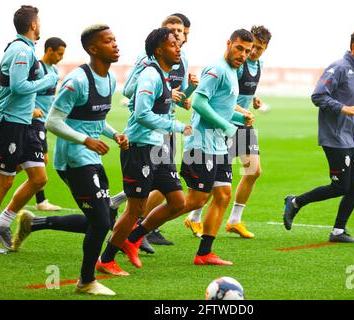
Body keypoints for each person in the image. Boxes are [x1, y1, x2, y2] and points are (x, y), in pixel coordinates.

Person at [105, 29, 253, 269]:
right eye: (239, 49)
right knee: (194, 200)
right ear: (229, 44)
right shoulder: (215, 70)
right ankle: (131, 238)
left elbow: (216, 105)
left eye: (248, 51)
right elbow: (199, 103)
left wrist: (238, 116)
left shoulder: (234, 71)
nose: (243, 54)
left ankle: (204, 252)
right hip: (200, 143)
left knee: (223, 194)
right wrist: (226, 125)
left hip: (218, 143)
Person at [13, 24, 128, 295]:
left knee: (103, 218)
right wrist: (85, 141)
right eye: (108, 41)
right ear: (93, 48)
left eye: (115, 39)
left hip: (91, 155)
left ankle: (36, 223)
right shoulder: (77, 80)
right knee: (101, 222)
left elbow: (95, 120)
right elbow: (53, 121)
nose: (115, 44)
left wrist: (114, 134)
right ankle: (86, 281)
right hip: (74, 159)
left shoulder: (110, 79)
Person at [95, 27, 192, 274]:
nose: (178, 47)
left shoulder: (165, 75)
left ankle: (133, 238)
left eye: (178, 43)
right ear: (159, 50)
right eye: (172, 44)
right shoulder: (150, 75)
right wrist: (177, 126)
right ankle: (106, 259)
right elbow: (142, 113)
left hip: (158, 147)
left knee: (178, 201)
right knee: (135, 209)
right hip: (139, 149)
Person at [283, 27, 354, 243]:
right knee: (341, 186)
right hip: (336, 138)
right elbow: (318, 96)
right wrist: (343, 108)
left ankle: (338, 231)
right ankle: (295, 202)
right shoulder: (338, 67)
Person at [110, 14, 198, 248]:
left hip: (164, 131)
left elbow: (176, 96)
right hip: (150, 132)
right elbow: (131, 92)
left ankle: (136, 229)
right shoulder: (147, 61)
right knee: (146, 192)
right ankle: (130, 234)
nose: (178, 35)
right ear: (162, 35)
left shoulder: (181, 60)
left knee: (169, 190)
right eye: (173, 31)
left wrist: (186, 94)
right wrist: (170, 99)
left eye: (181, 31)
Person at [0, 5, 59, 254]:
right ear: (33, 25)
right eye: (39, 21)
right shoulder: (21, 50)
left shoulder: (25, 49)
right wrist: (48, 80)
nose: (40, 25)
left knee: (38, 178)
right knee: (3, 182)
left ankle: (2, 224)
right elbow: (18, 87)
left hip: (24, 124)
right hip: (9, 123)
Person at [184, 25, 272, 239]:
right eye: (251, 48)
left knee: (253, 170)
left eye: (259, 48)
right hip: (224, 122)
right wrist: (240, 113)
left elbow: (241, 92)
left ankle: (234, 220)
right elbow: (223, 98)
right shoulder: (234, 65)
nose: (253, 53)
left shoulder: (258, 65)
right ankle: (193, 217)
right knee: (214, 181)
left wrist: (253, 100)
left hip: (241, 121)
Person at [0, 38, 66, 211]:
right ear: (49, 50)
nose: (61, 57)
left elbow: (49, 97)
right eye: (59, 53)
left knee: (34, 161)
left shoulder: (54, 70)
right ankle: (41, 200)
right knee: (41, 160)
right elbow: (26, 90)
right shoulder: (37, 68)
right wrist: (32, 109)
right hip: (29, 120)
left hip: (42, 121)